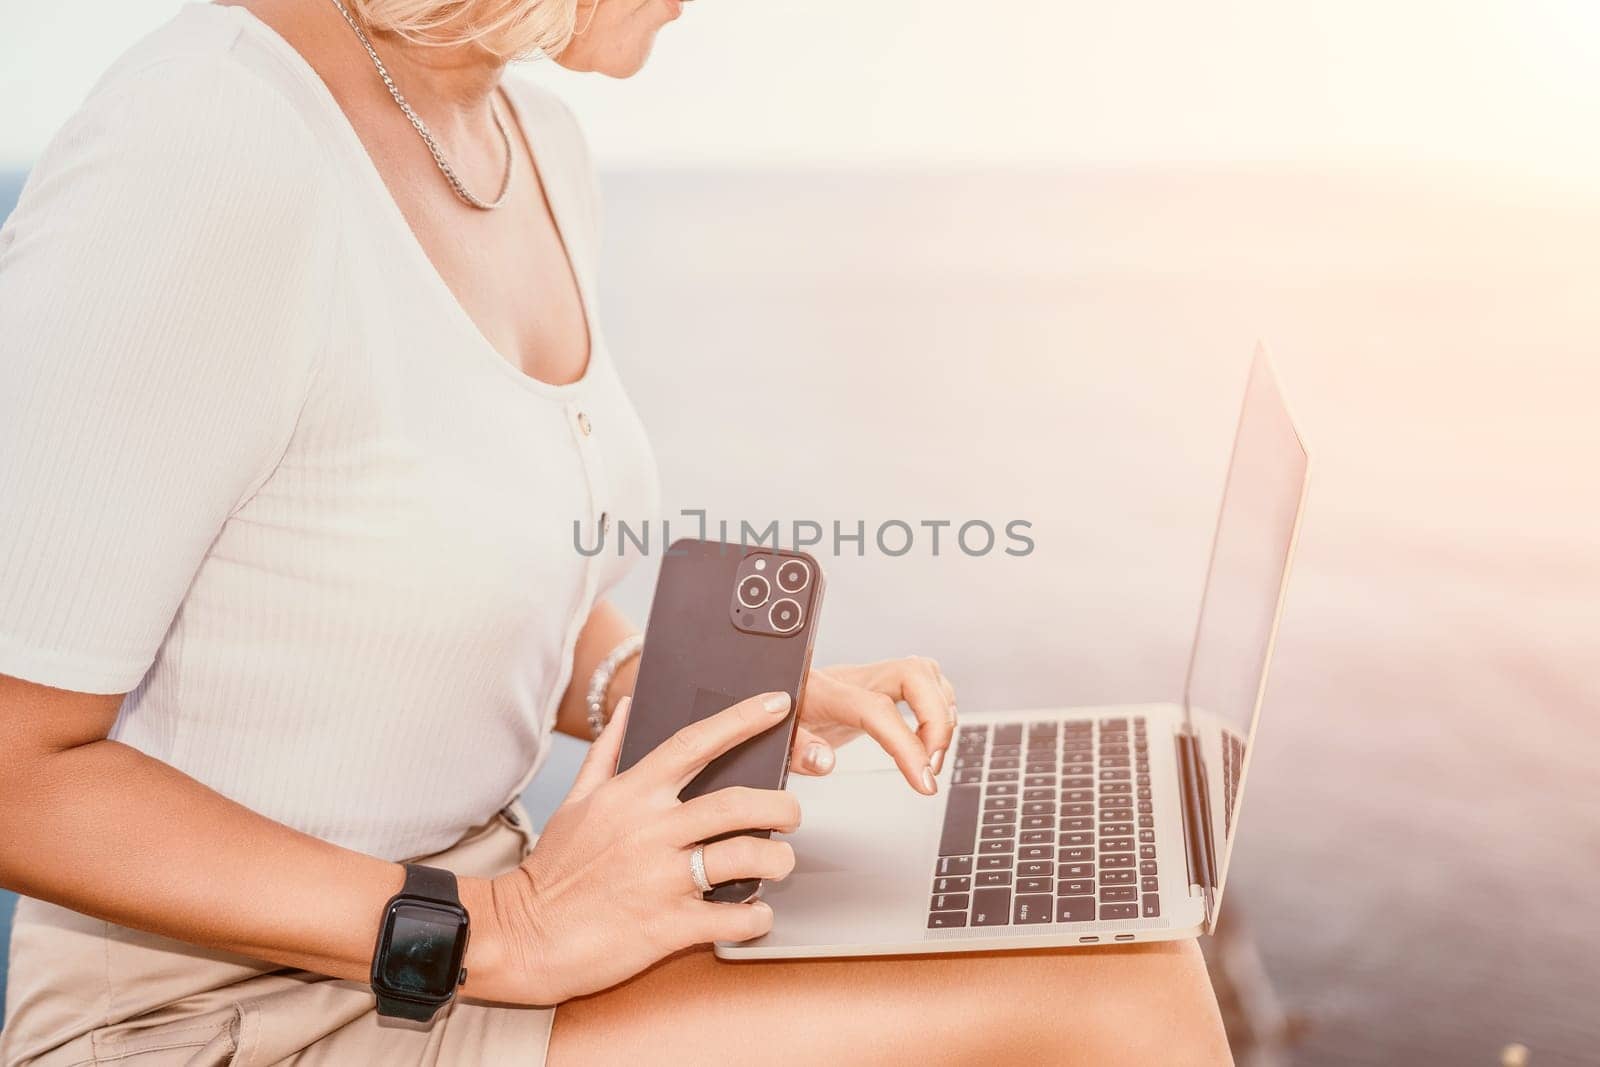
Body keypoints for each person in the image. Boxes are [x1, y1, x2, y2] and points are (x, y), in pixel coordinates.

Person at [0, 1, 1231, 1062]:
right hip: (223, 1017)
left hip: (470, 927)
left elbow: (440, 561)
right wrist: (513, 927)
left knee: (1093, 928)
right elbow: (15, 769)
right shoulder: (200, 149)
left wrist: (680, 694)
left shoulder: (533, 143)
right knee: (1117, 998)